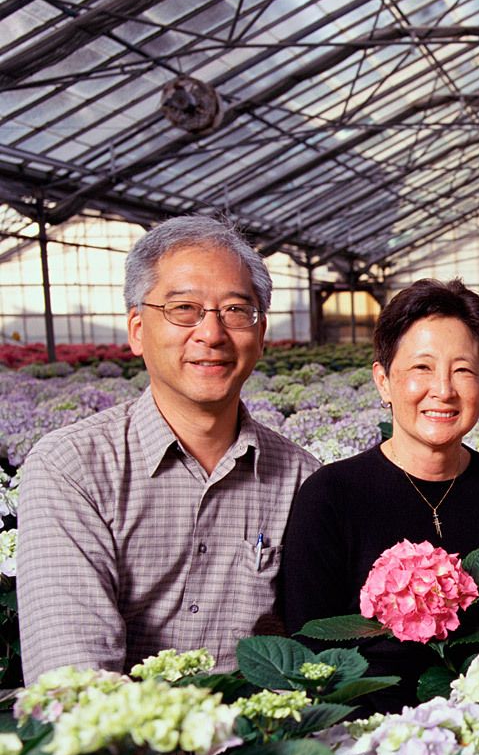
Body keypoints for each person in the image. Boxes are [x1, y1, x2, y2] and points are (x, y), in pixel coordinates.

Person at [17, 215, 318, 681]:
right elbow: (72, 679)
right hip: (118, 748)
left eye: (236, 311)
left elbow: (309, 657)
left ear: (260, 334)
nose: (212, 334)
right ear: (137, 329)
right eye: (184, 309)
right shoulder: (72, 468)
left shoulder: (304, 480)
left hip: (261, 747)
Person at [280, 278, 479, 704]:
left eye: (463, 371)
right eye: (422, 368)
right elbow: (311, 647)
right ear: (383, 381)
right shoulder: (330, 495)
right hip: (367, 729)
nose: (443, 390)